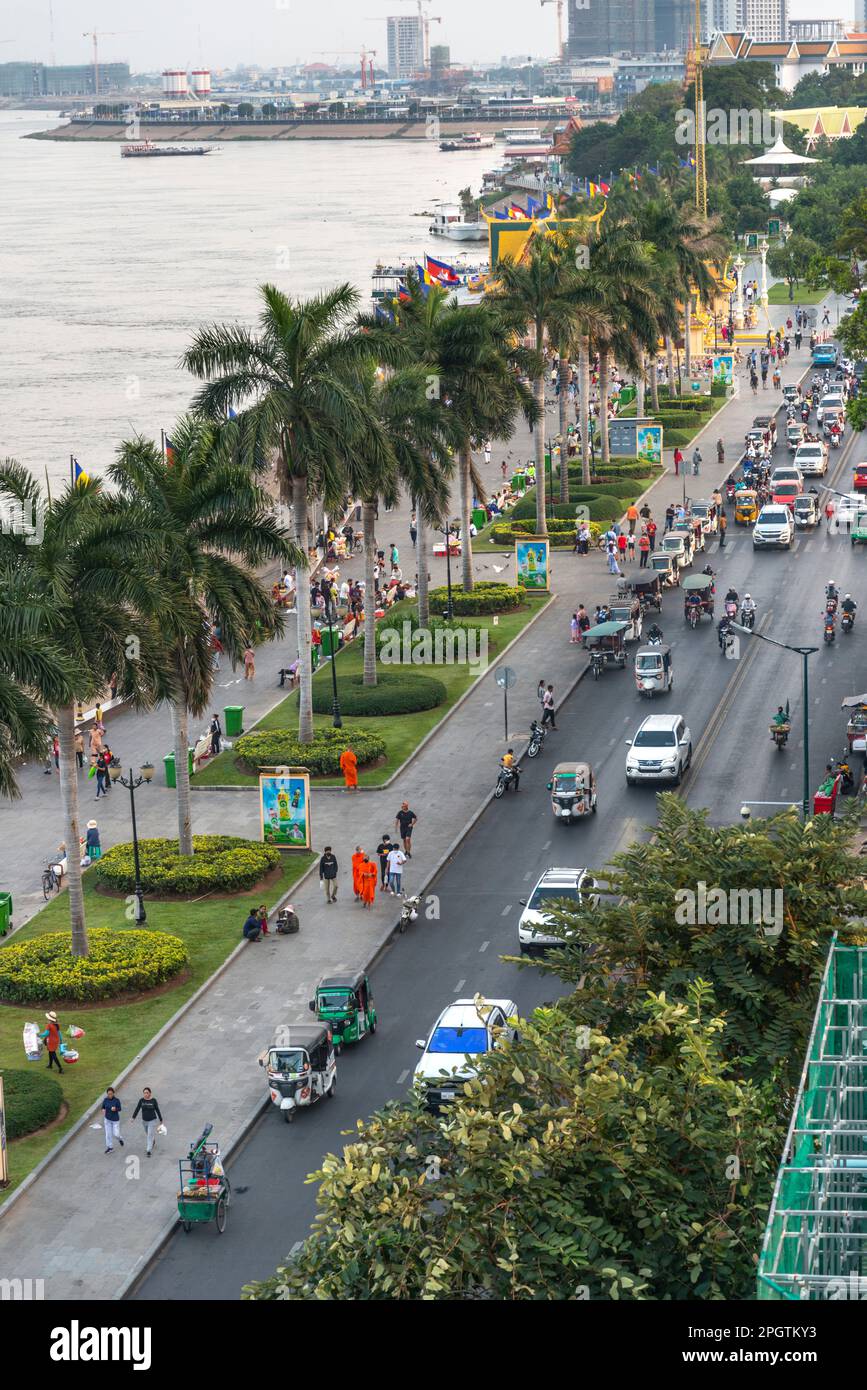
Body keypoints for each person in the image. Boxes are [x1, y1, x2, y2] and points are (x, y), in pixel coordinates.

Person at [132, 1087, 163, 1158]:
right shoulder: (141, 1100)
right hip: (144, 1121)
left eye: (147, 1093)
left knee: (149, 1135)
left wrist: (161, 1119)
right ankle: (153, 1140)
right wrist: (133, 1117)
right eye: (144, 1093)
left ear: (150, 1093)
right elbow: (137, 1108)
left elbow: (157, 1110)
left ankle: (148, 1150)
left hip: (152, 1120)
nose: (145, 1094)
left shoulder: (153, 1101)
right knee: (148, 1133)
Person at [102, 1087, 123, 1153]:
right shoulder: (105, 1100)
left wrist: (115, 1109)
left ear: (113, 1093)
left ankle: (120, 1139)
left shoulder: (117, 1100)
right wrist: (103, 1110)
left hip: (115, 1120)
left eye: (111, 1094)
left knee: (116, 1134)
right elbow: (103, 1107)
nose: (110, 1095)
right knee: (108, 1134)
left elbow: (120, 1109)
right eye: (108, 1094)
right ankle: (110, 1147)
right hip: (107, 1120)